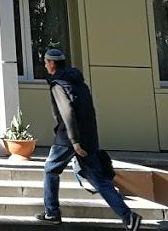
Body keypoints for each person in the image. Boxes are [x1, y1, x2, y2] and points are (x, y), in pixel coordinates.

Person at [37, 48, 142, 231]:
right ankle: (129, 217)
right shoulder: (79, 83)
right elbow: (89, 111)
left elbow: (67, 112)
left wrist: (75, 141)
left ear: (52, 64)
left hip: (68, 137)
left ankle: (52, 213)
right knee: (98, 179)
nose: (45, 66)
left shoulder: (58, 84)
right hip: (88, 136)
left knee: (50, 170)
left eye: (46, 62)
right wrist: (89, 140)